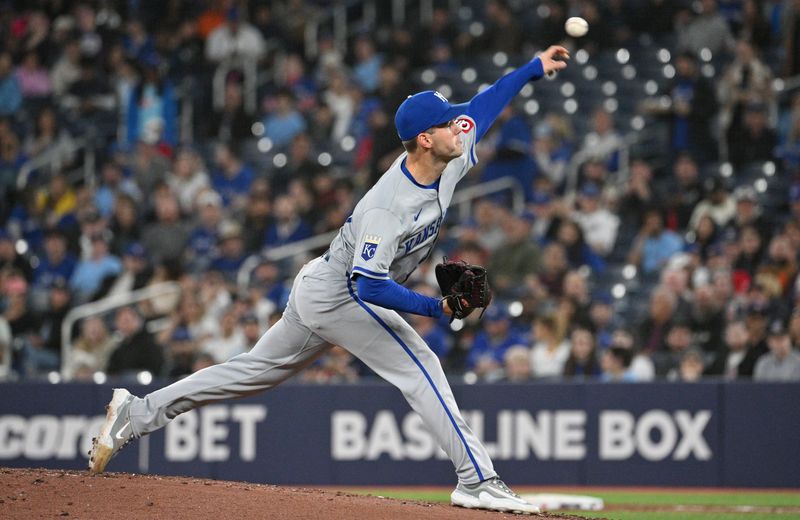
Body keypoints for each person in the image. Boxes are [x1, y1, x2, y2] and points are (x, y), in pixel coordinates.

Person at [88, 44, 572, 514]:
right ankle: (478, 481)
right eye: (447, 123)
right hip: (343, 292)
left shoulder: (449, 150)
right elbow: (368, 287)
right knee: (420, 367)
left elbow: (483, 106)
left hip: (320, 283)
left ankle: (137, 413)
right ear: (426, 139)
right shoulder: (388, 206)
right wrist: (435, 308)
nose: (458, 127)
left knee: (250, 373)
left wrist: (533, 67)